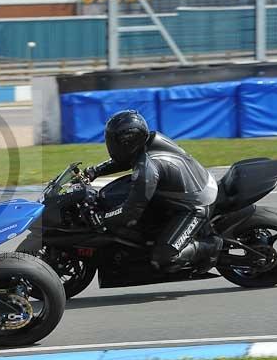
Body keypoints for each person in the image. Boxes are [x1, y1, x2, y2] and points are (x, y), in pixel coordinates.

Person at [86, 110, 223, 272]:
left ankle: (210, 246)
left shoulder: (148, 169)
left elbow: (130, 212)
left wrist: (103, 218)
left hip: (197, 204)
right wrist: (95, 171)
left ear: (126, 142)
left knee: (164, 257)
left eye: (112, 141)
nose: (109, 144)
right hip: (191, 186)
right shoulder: (148, 141)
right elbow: (124, 159)